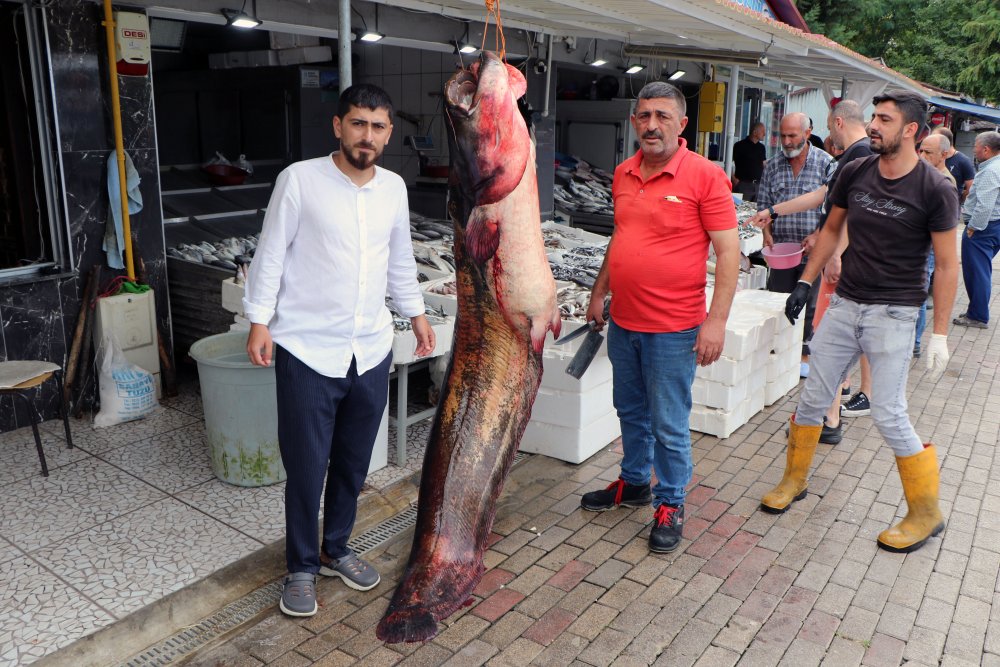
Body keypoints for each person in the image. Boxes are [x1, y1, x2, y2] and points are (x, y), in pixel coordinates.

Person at [243, 84, 435, 617]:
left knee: (352, 462)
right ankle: (301, 565)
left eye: (377, 127)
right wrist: (260, 321)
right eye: (357, 124)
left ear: (389, 133)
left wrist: (416, 315)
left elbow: (400, 260)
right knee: (306, 467)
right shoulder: (300, 181)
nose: (366, 136)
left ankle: (337, 547)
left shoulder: (393, 189)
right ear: (338, 126)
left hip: (370, 349)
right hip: (307, 348)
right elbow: (271, 255)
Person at [760, 91, 959, 555]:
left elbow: (948, 265)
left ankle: (926, 513)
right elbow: (832, 229)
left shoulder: (935, 188)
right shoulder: (856, 169)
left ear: (910, 130)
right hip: (846, 303)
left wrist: (940, 334)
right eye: (872, 116)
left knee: (888, 412)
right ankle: (794, 481)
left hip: (895, 311)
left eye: (884, 119)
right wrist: (807, 283)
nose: (873, 125)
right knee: (812, 397)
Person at [578, 81, 740, 554]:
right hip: (625, 322)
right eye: (644, 115)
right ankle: (634, 483)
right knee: (629, 410)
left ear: (682, 124)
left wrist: (715, 322)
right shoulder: (624, 172)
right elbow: (620, 238)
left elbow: (729, 253)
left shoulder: (705, 176)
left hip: (674, 328)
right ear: (634, 122)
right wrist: (599, 291)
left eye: (662, 116)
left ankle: (670, 502)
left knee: (669, 423)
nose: (652, 125)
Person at [751, 100, 871, 444]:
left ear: (834, 123)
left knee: (829, 337)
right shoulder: (855, 157)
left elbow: (843, 213)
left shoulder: (854, 156)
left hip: (841, 264)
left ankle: (830, 416)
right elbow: (826, 198)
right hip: (826, 257)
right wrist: (772, 213)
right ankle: (830, 414)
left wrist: (834, 251)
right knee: (832, 338)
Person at [755, 112, 834, 377]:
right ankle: (779, 352)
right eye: (783, 136)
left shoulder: (826, 163)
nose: (787, 142)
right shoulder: (772, 166)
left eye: (792, 136)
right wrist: (767, 233)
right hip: (782, 252)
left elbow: (834, 210)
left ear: (807, 133)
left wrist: (817, 235)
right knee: (778, 301)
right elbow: (764, 205)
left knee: (810, 305)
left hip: (815, 251)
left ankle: (803, 355)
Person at [953, 131, 1000, 329]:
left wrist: (973, 227)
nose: (973, 149)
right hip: (992, 226)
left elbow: (985, 204)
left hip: (984, 228)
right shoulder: (994, 166)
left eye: (975, 146)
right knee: (980, 270)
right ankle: (976, 310)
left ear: (986, 150)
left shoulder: (990, 170)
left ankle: (978, 315)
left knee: (977, 272)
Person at [914, 134, 955, 351]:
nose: (922, 156)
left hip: (929, 247)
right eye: (921, 150)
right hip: (918, 244)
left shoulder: (944, 182)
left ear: (944, 155)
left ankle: (916, 342)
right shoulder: (924, 175)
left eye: (928, 152)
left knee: (920, 294)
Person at [933, 126, 976, 204]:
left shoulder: (964, 161)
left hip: (951, 205)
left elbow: (971, 188)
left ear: (945, 141)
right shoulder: (934, 157)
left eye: (934, 139)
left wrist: (958, 200)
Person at [732, 122, 767, 201]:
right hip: (743, 184)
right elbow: (729, 162)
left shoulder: (761, 147)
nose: (764, 134)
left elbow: (763, 164)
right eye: (762, 131)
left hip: (758, 185)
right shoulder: (739, 145)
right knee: (740, 210)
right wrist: (735, 180)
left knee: (757, 211)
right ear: (754, 132)